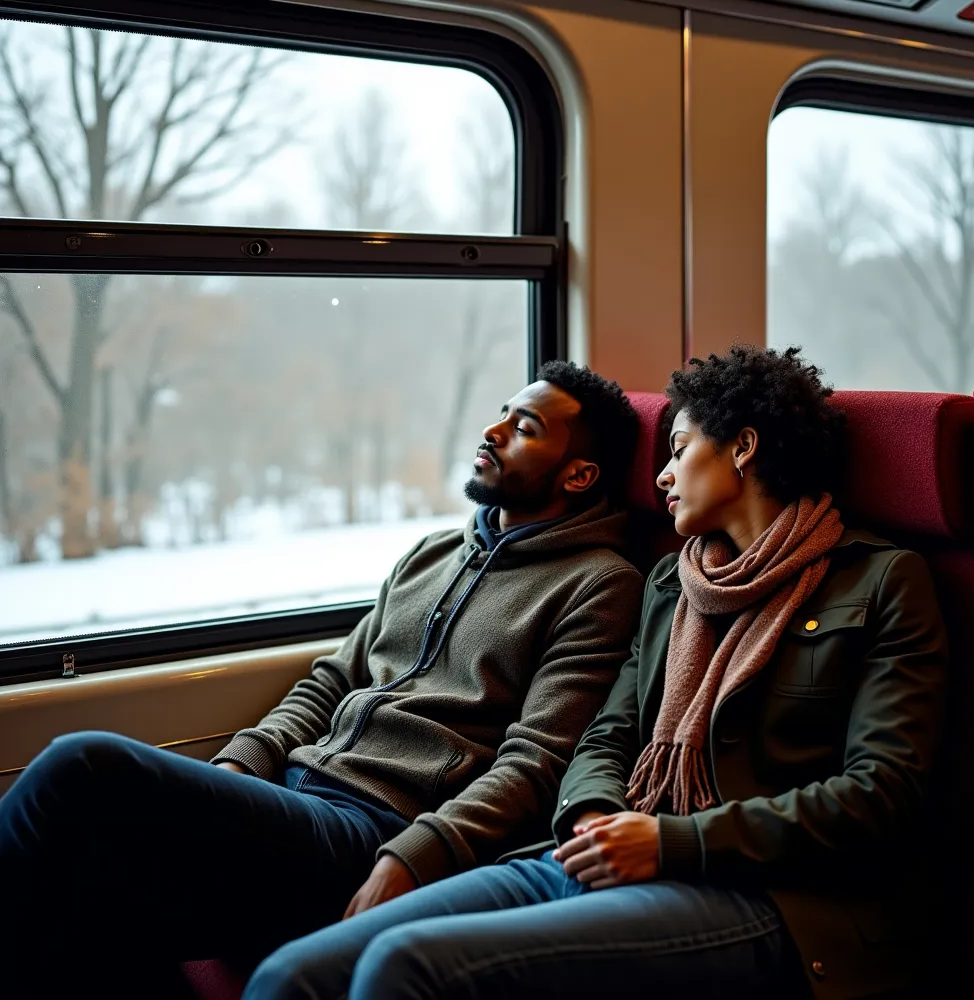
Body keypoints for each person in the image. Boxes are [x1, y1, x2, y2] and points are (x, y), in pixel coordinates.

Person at [243, 344, 948, 1000]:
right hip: (603, 850)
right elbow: (605, 737)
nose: (663, 478)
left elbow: (880, 794)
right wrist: (593, 817)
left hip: (777, 898)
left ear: (743, 447)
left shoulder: (882, 581)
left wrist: (673, 840)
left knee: (405, 967)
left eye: (679, 450)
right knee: (296, 971)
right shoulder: (674, 583)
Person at [0, 361, 644, 1000]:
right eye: (501, 412)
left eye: (524, 427)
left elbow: (536, 764)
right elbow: (330, 682)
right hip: (293, 796)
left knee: (82, 766)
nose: (493, 430)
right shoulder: (433, 554)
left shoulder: (599, 585)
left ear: (579, 474)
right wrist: (240, 769)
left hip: (372, 826)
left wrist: (413, 856)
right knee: (82, 889)